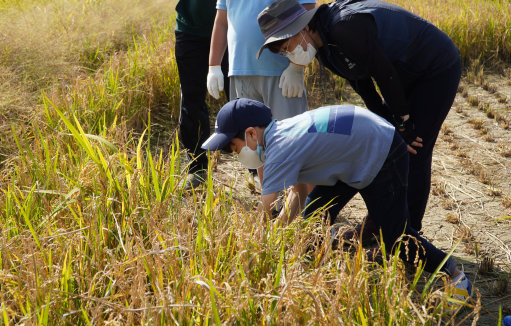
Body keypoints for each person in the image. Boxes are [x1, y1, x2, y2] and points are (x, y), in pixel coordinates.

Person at [202, 98, 473, 314]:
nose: (237, 154)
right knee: (312, 222)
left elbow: (264, 213)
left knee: (396, 238)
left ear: (250, 134)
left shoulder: (278, 149)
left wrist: (250, 254)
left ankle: (457, 277)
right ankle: (352, 246)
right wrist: (282, 234)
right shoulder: (281, 132)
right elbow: (298, 191)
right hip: (352, 150)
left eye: (235, 148)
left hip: (381, 150)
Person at [256, 0, 462, 236]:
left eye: (286, 47)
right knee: (389, 145)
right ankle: (383, 221)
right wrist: (387, 120)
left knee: (414, 150)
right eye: (283, 53)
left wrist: (403, 124)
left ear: (300, 28)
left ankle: (408, 234)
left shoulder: (343, 27)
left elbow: (383, 74)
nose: (289, 55)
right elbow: (361, 83)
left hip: (435, 67)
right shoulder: (324, 49)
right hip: (402, 73)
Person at [154, 0, 238, 189]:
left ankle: (254, 165)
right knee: (191, 98)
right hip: (189, 26)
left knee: (239, 96)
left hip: (231, 22)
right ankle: (197, 167)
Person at [207, 0, 316, 121]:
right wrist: (214, 66)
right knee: (250, 145)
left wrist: (296, 67)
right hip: (240, 73)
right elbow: (222, 23)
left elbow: (307, 22)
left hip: (281, 74)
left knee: (287, 142)